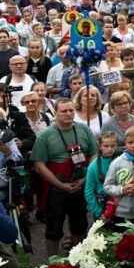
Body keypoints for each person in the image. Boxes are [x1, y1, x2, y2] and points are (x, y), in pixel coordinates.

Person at [32, 98, 97, 256]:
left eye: (71, 110)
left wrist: (85, 179)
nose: (68, 114)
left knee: (80, 226)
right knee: (53, 229)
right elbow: (39, 165)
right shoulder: (45, 136)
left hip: (81, 185)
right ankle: (52, 261)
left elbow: (94, 154)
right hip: (56, 190)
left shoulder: (84, 129)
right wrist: (60, 185)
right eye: (64, 111)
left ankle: (78, 258)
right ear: (55, 113)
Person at [84, 131, 117, 220]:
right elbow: (88, 192)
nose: (109, 149)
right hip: (101, 208)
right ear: (100, 146)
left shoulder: (121, 162)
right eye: (106, 146)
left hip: (119, 207)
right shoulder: (93, 167)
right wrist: (98, 212)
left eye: (113, 146)